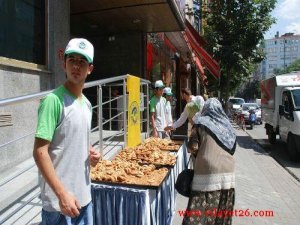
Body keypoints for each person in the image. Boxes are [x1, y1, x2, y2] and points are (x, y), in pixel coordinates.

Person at [33, 38, 101, 225]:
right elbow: (40, 152)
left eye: (82, 62)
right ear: (64, 64)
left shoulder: (87, 104)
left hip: (84, 197)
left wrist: (91, 154)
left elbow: (76, 140)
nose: (76, 66)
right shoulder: (53, 101)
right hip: (59, 205)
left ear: (90, 69)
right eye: (72, 60)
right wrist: (62, 195)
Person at [182, 98, 236, 225]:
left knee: (198, 209)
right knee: (221, 209)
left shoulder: (200, 123)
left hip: (207, 171)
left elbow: (193, 147)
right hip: (229, 171)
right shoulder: (227, 125)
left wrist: (197, 153)